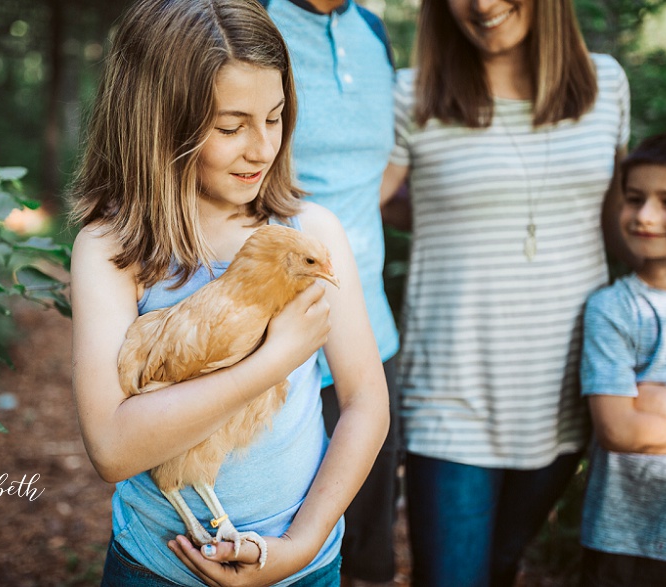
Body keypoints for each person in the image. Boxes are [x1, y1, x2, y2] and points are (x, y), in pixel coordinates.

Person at [68, 0, 389, 586]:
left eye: (275, 117)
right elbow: (112, 449)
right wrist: (275, 360)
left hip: (304, 568)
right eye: (231, 126)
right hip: (158, 570)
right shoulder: (115, 251)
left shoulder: (309, 234)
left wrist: (298, 545)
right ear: (160, 121)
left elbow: (367, 404)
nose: (262, 147)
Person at [379, 0, 630, 585]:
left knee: (500, 567)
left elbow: (620, 221)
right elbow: (363, 204)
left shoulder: (606, 84)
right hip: (452, 394)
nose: (482, 5)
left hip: (566, 392)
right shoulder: (410, 94)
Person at [257, 1, 400, 585]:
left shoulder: (371, 30)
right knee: (270, 544)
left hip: (370, 339)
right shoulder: (252, 19)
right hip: (272, 339)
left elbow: (383, 163)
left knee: (364, 551)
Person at [578, 131, 666, 587]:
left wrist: (662, 402)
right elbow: (619, 429)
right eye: (634, 198)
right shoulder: (613, 308)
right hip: (624, 541)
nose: (646, 216)